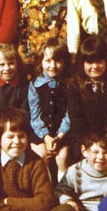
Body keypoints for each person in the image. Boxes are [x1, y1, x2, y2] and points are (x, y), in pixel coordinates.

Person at [66, 36, 107, 164]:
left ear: (106, 61)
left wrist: (104, 142)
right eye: (90, 62)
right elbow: (76, 119)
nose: (95, 66)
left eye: (99, 61)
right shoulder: (75, 86)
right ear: (82, 64)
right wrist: (88, 144)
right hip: (83, 139)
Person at [27, 38, 71, 180]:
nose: (53, 65)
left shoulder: (70, 84)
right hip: (41, 132)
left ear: (65, 62)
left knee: (62, 157)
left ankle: (63, 189)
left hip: (62, 133)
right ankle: (44, 188)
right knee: (42, 155)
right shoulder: (35, 85)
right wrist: (46, 137)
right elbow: (35, 116)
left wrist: (59, 136)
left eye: (58, 61)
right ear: (41, 61)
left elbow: (69, 114)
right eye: (48, 60)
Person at [0, 43, 29, 122]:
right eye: (2, 64)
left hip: (17, 126)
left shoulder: (23, 86)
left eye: (11, 63)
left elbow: (24, 112)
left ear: (17, 63)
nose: (7, 68)